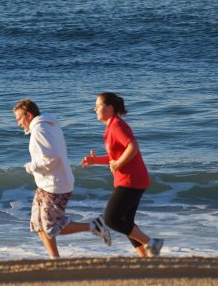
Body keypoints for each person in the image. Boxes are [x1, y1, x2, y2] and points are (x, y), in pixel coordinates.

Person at [13, 98, 111, 259]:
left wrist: (31, 167)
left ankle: (95, 226)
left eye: (19, 119)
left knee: (51, 227)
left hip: (55, 185)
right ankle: (55, 259)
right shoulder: (49, 125)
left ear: (29, 115)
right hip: (47, 184)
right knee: (37, 225)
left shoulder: (39, 131)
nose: (18, 123)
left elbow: (53, 158)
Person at [81, 92, 163, 257]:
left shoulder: (117, 125)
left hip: (131, 180)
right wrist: (96, 161)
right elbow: (116, 156)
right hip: (132, 179)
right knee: (126, 222)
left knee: (112, 219)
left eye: (98, 105)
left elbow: (133, 146)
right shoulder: (111, 126)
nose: (94, 108)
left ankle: (152, 243)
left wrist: (118, 164)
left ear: (110, 108)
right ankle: (145, 256)